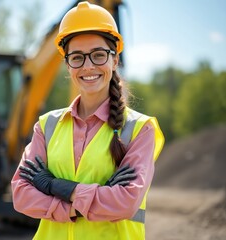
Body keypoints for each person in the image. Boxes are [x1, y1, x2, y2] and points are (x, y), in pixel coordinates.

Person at [11, 2, 165, 240]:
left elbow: (125, 203)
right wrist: (89, 202)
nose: (88, 65)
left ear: (115, 61)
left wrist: (55, 187)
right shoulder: (46, 126)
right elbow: (21, 195)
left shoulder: (139, 129)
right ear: (68, 65)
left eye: (98, 55)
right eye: (77, 57)